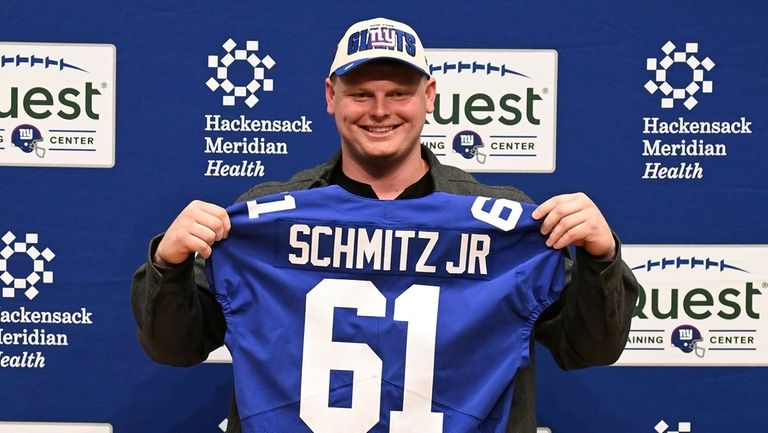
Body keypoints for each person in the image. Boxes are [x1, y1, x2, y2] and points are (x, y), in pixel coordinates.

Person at [131, 17, 640, 433]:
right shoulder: (266, 217)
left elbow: (591, 347)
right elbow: (175, 347)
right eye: (360, 94)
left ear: (429, 96)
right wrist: (168, 266)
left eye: (398, 93)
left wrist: (601, 259)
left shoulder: (503, 221)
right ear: (331, 96)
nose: (380, 111)